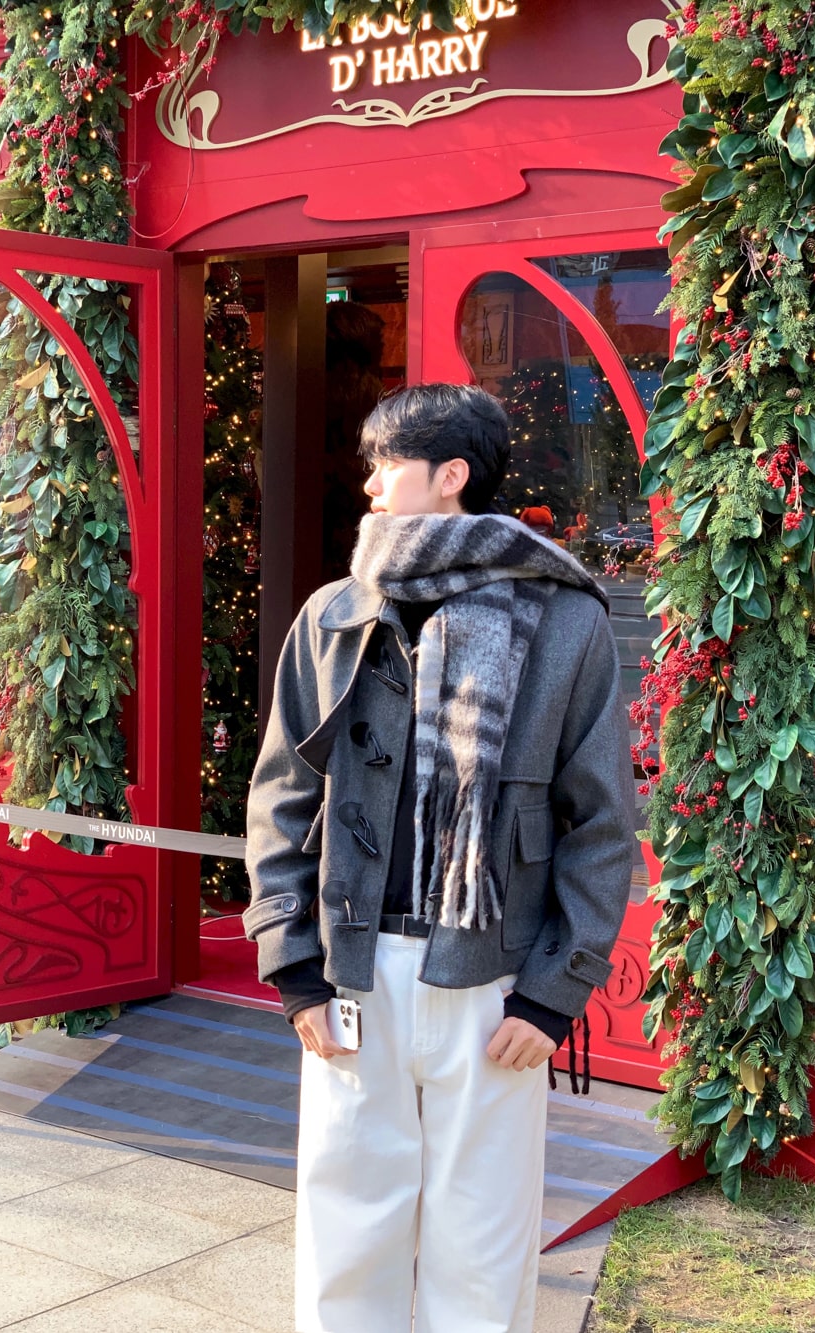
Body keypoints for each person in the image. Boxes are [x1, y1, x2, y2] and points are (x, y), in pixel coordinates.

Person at [244, 383, 634, 1333]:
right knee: (346, 1237)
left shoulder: (565, 618)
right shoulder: (334, 614)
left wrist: (554, 993)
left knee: (484, 1243)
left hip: (492, 979)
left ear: (451, 474)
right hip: (353, 970)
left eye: (389, 463)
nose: (370, 483)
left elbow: (601, 822)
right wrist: (292, 964)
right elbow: (281, 796)